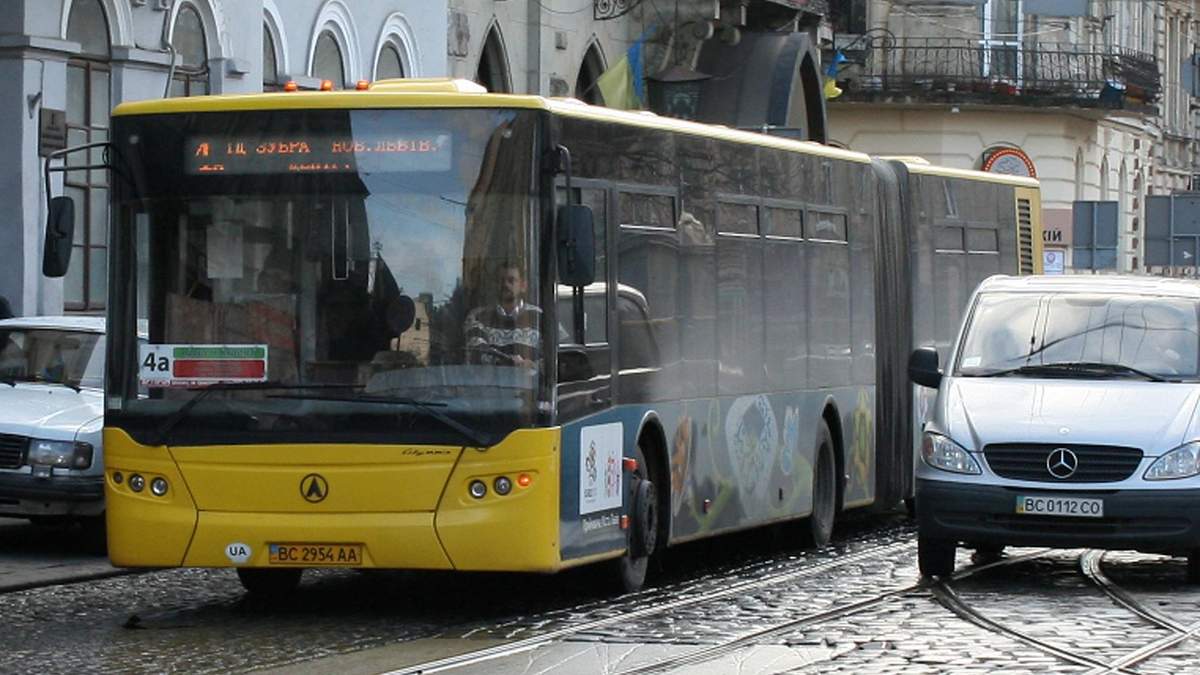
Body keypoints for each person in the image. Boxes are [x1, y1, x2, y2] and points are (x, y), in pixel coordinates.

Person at [464, 262, 542, 367]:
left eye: (511, 280)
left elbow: (557, 357)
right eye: (500, 280)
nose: (505, 285)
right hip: (490, 382)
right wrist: (510, 362)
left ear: (523, 286)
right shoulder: (477, 317)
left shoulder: (540, 317)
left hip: (528, 382)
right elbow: (476, 353)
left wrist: (533, 365)